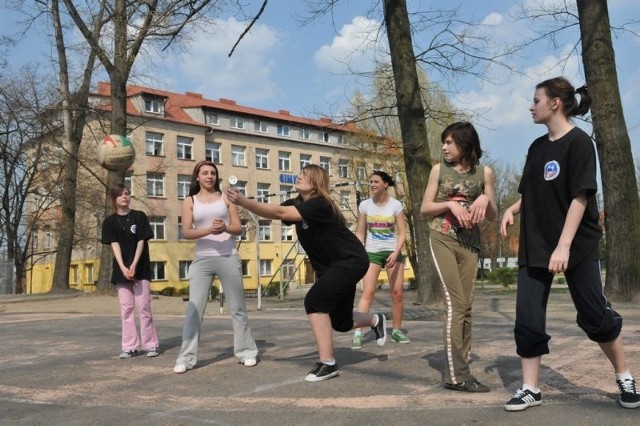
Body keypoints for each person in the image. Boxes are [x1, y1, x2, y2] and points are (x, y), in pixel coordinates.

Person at [500, 76, 640, 411]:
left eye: (536, 100)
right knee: (528, 318)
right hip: (535, 243)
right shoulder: (536, 148)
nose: (531, 107)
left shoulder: (579, 143)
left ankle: (624, 376)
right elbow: (532, 193)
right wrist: (512, 208)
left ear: (555, 103)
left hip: (576, 245)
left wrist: (563, 246)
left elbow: (580, 197)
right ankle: (530, 388)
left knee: (594, 314)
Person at [225, 164, 387, 382]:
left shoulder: (320, 204)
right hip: (332, 267)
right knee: (341, 322)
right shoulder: (297, 203)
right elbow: (275, 211)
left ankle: (327, 363)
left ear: (316, 184)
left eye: (304, 175)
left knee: (315, 301)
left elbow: (281, 212)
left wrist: (243, 201)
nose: (298, 176)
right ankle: (376, 320)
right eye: (299, 174)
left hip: (350, 261)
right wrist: (238, 202)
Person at [420, 121, 497, 393]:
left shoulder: (484, 173)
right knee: (455, 304)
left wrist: (485, 199)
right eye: (444, 141)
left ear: (466, 144)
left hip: (470, 244)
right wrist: (450, 203)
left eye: (450, 142)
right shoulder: (438, 170)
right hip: (442, 238)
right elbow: (425, 208)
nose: (444, 146)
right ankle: (457, 376)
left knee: (466, 308)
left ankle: (461, 367)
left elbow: (493, 215)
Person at [173, 160, 258, 374]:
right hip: (202, 259)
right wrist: (210, 230)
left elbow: (238, 228)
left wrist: (225, 228)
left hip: (228, 256)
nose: (209, 176)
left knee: (237, 308)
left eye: (213, 173)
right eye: (205, 173)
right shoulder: (190, 200)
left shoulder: (226, 198)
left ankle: (246, 351)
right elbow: (187, 232)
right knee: (194, 310)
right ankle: (186, 357)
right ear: (197, 178)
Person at [101, 184, 160, 359]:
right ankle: (129, 346)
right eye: (120, 195)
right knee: (126, 309)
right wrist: (123, 267)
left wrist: (134, 264)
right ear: (114, 199)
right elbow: (114, 245)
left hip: (140, 268)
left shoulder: (139, 217)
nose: (125, 197)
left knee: (144, 307)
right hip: (122, 271)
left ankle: (150, 344)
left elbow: (142, 241)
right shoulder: (110, 221)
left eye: (127, 194)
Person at [352, 171, 409, 350]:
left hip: (392, 251)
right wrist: (358, 249)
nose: (372, 185)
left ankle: (397, 330)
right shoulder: (365, 205)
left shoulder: (396, 205)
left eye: (376, 182)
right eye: (370, 182)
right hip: (372, 253)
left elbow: (402, 233)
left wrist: (396, 252)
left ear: (385, 184)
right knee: (368, 292)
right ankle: (358, 333)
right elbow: (360, 232)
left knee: (397, 293)